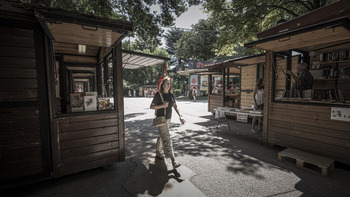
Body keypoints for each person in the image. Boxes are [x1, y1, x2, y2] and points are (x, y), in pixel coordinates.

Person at [150, 76, 186, 169]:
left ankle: (158, 152)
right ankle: (173, 160)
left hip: (168, 119)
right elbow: (151, 106)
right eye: (167, 83)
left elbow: (175, 105)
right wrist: (162, 105)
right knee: (167, 138)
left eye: (170, 83)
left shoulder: (171, 94)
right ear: (163, 84)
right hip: (161, 120)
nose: (168, 85)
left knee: (161, 135)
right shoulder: (158, 94)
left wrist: (180, 116)